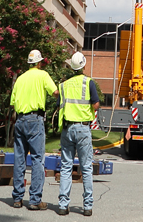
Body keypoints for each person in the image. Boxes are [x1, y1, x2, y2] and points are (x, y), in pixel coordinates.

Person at [10, 48, 58, 211]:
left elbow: (13, 103)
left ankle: (17, 198)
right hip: (35, 119)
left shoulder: (20, 79)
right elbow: (55, 92)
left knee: (19, 158)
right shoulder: (43, 75)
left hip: (20, 120)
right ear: (39, 62)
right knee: (37, 159)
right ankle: (35, 200)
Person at [57, 51, 99, 218]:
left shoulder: (64, 85)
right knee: (86, 168)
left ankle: (62, 205)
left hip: (67, 129)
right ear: (83, 65)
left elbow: (60, 104)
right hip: (82, 128)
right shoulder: (88, 83)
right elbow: (95, 105)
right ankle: (87, 207)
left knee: (66, 167)